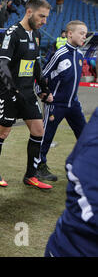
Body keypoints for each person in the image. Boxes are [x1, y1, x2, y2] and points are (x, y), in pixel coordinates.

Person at [0, 0, 54, 190]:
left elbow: (35, 65)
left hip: (28, 93)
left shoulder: (37, 35)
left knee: (38, 130)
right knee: (3, 132)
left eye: (46, 17)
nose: (44, 21)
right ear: (29, 12)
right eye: (41, 16)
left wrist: (43, 88)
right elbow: (2, 64)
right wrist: (13, 91)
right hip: (9, 94)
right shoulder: (12, 33)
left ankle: (30, 175)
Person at [37, 21, 88, 182]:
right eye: (81, 33)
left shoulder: (80, 56)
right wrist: (44, 94)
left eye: (85, 34)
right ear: (70, 33)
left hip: (73, 104)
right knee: (46, 136)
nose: (84, 36)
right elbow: (42, 76)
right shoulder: (59, 54)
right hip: (55, 105)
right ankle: (39, 167)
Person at [45, 107, 98, 257]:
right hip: (75, 248)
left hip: (70, 101)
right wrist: (45, 91)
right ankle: (37, 165)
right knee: (43, 132)